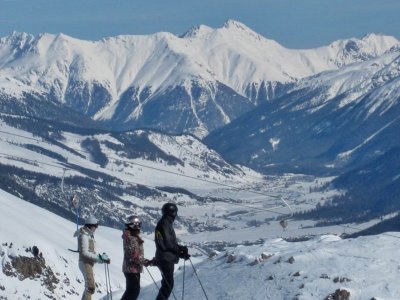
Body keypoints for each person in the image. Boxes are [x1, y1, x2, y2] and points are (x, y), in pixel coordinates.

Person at [154, 203, 190, 300]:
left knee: (167, 285)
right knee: (167, 286)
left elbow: (167, 244)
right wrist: (180, 249)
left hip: (165, 258)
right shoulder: (165, 223)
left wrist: (180, 252)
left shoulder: (165, 223)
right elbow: (168, 243)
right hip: (165, 260)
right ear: (173, 213)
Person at [75, 215, 110, 300]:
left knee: (90, 286)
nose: (96, 228)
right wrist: (100, 258)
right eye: (95, 226)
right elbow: (85, 253)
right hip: (85, 262)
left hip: (88, 263)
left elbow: (90, 252)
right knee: (90, 286)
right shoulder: (84, 236)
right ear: (90, 226)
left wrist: (101, 259)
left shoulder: (88, 235)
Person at [121, 215, 153, 300]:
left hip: (132, 268)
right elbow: (133, 256)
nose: (139, 227)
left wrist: (144, 261)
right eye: (138, 225)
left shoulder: (132, 237)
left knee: (131, 291)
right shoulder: (131, 238)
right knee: (133, 291)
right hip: (131, 268)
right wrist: (145, 261)